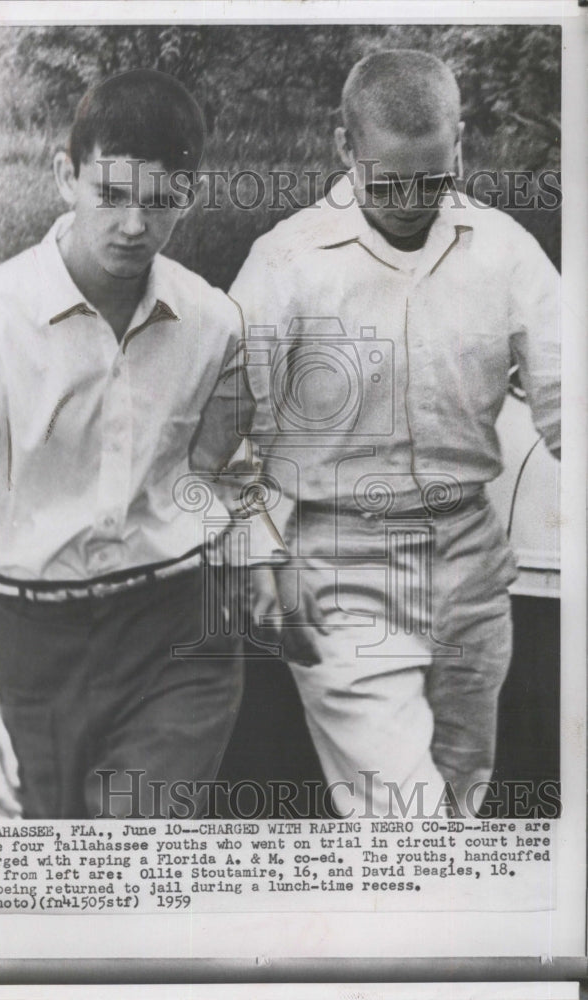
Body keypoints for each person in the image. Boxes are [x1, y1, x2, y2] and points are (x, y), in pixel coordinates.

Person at [230, 49, 560, 817]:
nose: (410, 200)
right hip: (339, 563)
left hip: (472, 561)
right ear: (343, 146)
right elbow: (223, 428)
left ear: (460, 142)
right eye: (387, 182)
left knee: (459, 792)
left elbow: (565, 399)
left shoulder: (505, 251)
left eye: (432, 177)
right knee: (407, 822)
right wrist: (256, 552)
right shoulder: (285, 264)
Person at [0, 69, 253, 820]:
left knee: (130, 873)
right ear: (65, 175)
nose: (135, 225)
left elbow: (223, 477)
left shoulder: (213, 322)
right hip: (28, 644)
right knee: (41, 897)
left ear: (190, 195)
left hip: (176, 641)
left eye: (161, 200)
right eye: (111, 194)